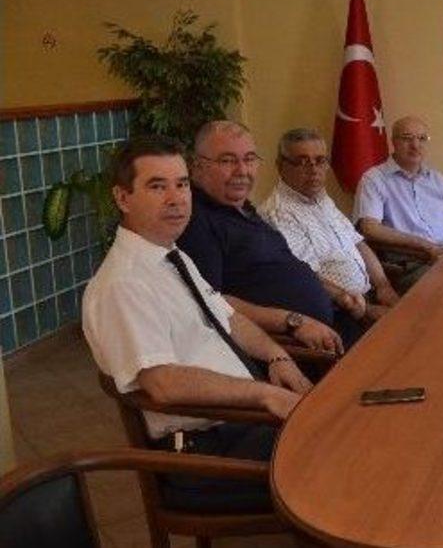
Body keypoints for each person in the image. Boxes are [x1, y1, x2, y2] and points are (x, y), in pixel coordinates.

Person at [82, 136, 312, 512]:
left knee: (351, 428)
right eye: (157, 186)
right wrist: (265, 395)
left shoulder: (171, 256)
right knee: (344, 453)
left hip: (242, 425)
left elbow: (229, 317)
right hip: (205, 455)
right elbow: (164, 383)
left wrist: (277, 356)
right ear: (123, 198)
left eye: (182, 184)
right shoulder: (123, 284)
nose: (176, 198)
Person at [178, 121, 356, 352]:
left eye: (249, 159)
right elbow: (211, 301)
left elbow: (287, 266)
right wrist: (294, 322)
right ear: (197, 166)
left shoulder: (243, 209)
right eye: (227, 160)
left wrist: (338, 294)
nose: (242, 171)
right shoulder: (196, 221)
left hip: (337, 320)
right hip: (304, 348)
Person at [261, 128, 401, 326]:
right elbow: (306, 277)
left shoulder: (321, 197)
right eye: (302, 161)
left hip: (366, 296)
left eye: (320, 160)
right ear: (281, 166)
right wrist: (366, 310)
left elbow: (358, 243)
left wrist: (383, 285)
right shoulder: (277, 214)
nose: (314, 169)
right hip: (337, 313)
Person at [354, 116, 443, 291]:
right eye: (407, 138)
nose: (415, 145)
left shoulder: (436, 179)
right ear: (393, 142)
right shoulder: (375, 179)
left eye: (421, 138)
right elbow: (370, 229)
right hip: (412, 263)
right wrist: (426, 246)